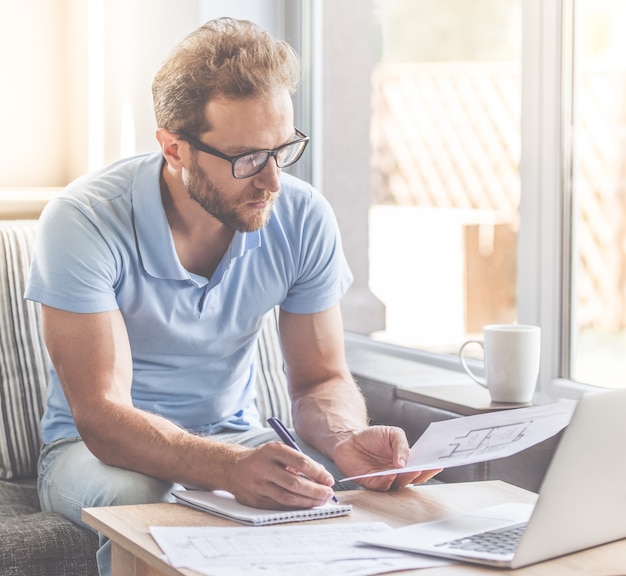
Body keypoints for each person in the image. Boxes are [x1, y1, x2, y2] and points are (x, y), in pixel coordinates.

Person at [26, 17, 441, 575]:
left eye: (282, 150)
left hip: (236, 433)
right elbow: (103, 416)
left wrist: (345, 439)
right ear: (174, 148)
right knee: (143, 501)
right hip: (94, 454)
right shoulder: (83, 221)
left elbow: (321, 378)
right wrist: (229, 469)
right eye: (247, 158)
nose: (271, 181)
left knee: (365, 495)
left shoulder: (301, 215)